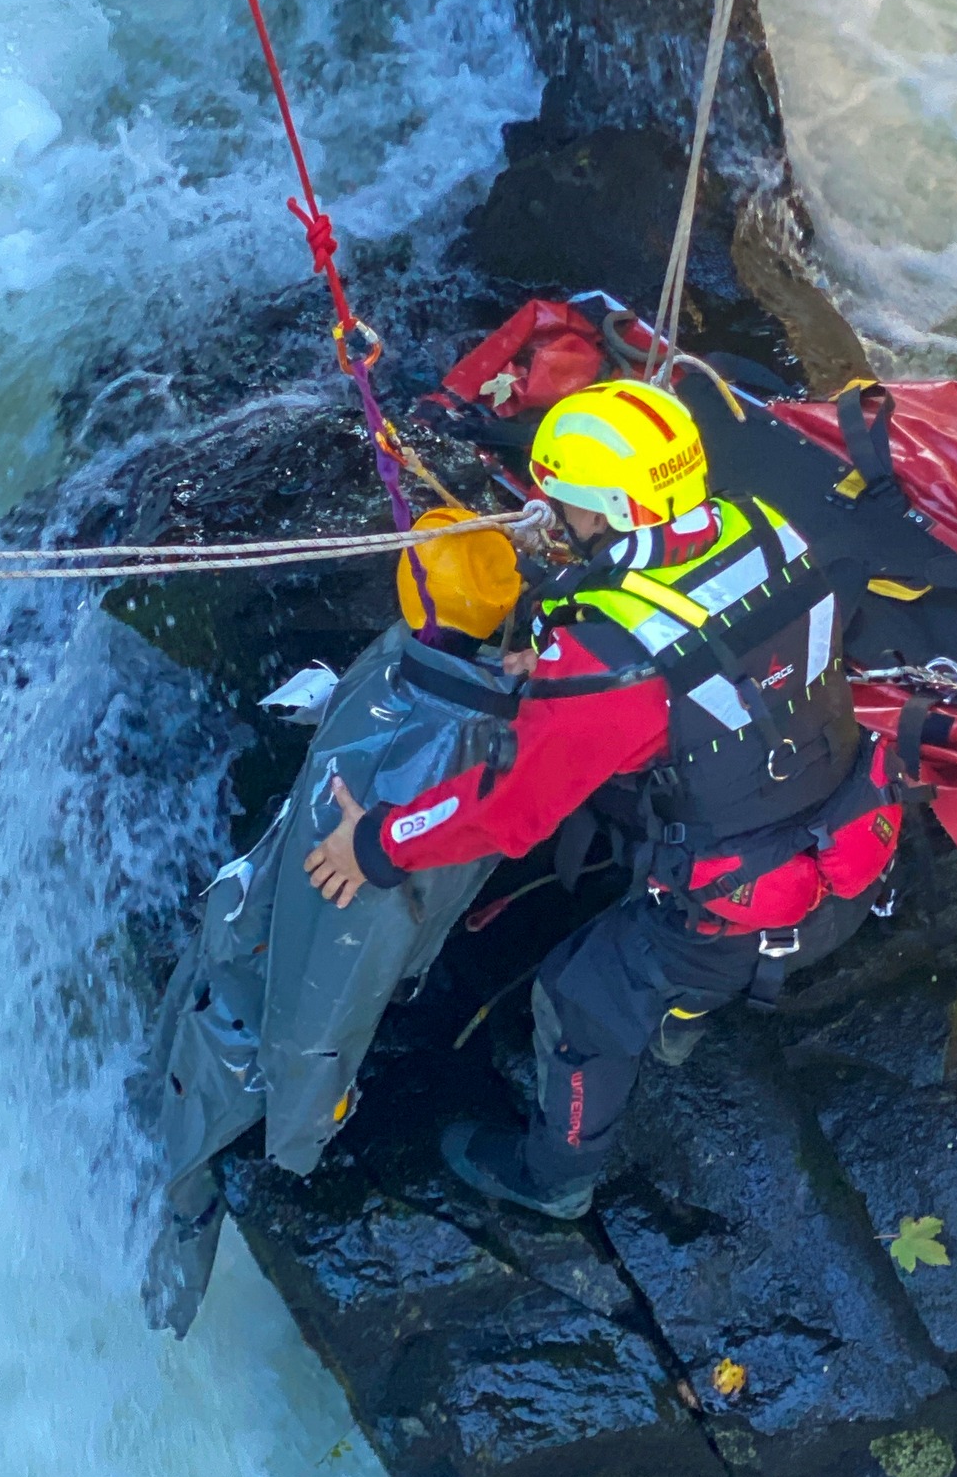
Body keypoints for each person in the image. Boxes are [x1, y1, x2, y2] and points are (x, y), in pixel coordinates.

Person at [306, 381, 900, 1220]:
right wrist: (564, 674)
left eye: (564, 501)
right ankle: (685, 1007)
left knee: (577, 998)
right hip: (847, 832)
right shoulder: (766, 527)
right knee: (679, 833)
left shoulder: (613, 661)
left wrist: (373, 845)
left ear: (609, 509)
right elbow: (719, 653)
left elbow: (506, 814)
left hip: (741, 910)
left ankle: (558, 1178)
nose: (553, 515)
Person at [141, 506, 523, 1335]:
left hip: (252, 991)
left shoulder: (398, 771)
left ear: (420, 596)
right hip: (255, 926)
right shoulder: (488, 697)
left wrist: (303, 1124)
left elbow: (332, 976)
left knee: (187, 1145)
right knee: (165, 1073)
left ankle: (163, 1310)